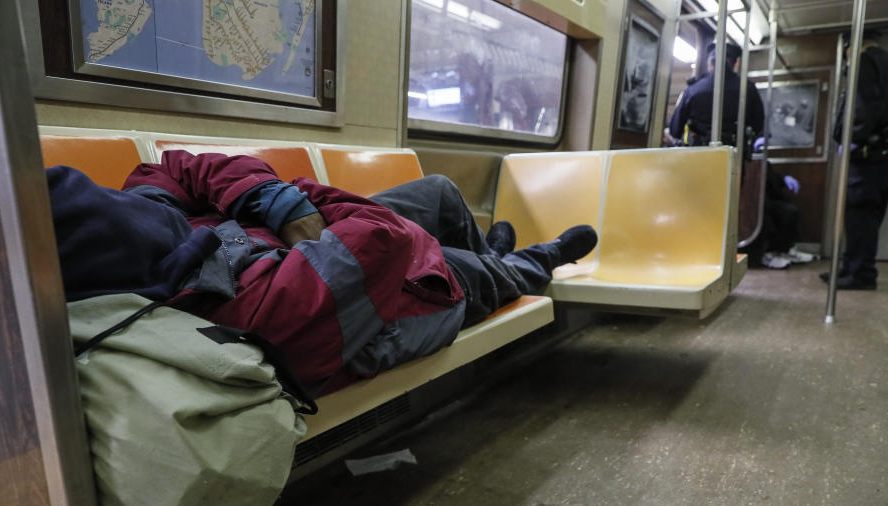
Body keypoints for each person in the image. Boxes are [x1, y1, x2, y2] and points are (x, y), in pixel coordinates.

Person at [48, 151, 597, 395]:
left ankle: (491, 252)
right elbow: (383, 240)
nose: (129, 202)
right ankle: (532, 262)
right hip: (388, 298)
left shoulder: (152, 213)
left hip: (316, 242)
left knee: (441, 193)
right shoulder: (227, 305)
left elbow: (173, 167)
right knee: (470, 276)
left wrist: (271, 198)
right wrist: (295, 201)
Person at [824, 29, 888, 289]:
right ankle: (852, 267)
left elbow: (863, 105)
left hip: (868, 150)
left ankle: (861, 274)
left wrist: (851, 138)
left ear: (850, 47)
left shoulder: (865, 62)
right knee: (870, 213)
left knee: (859, 212)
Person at [668, 41, 765, 147]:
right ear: (735, 64)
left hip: (700, 151)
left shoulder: (692, 90)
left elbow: (675, 129)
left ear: (710, 63)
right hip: (735, 151)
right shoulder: (748, 88)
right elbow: (758, 124)